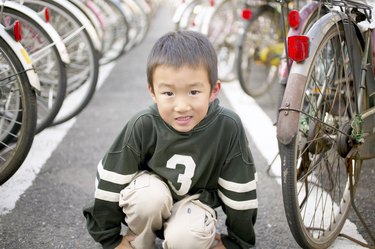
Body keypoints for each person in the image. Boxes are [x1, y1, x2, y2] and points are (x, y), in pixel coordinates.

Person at [83, 30, 257, 249]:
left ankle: (182, 235)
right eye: (168, 94)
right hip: (151, 197)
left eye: (194, 92)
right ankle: (140, 240)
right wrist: (110, 239)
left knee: (187, 239)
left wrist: (237, 242)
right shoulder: (144, 123)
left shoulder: (227, 126)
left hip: (195, 203)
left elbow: (239, 188)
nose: (181, 106)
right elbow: (112, 179)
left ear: (213, 90)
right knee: (147, 199)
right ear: (153, 92)